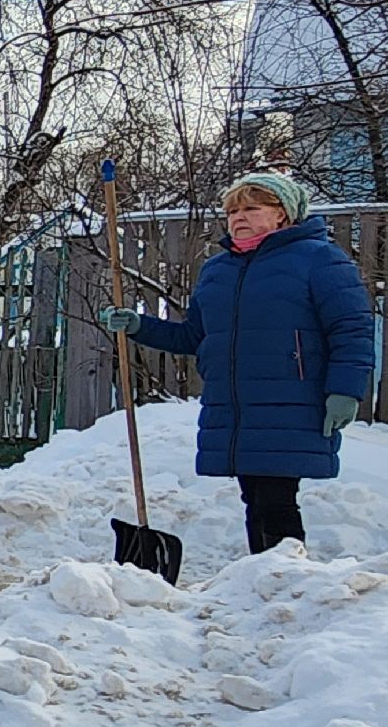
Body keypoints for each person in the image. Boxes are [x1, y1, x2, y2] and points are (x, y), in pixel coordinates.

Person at [99, 171, 373, 555]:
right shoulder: (218, 270)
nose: (238, 217)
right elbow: (194, 336)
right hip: (236, 405)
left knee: (276, 498)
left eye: (252, 208)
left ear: (283, 215)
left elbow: (351, 330)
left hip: (291, 401)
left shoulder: (320, 260)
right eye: (232, 211)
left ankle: (288, 582)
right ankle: (263, 577)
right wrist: (137, 326)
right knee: (255, 498)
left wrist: (345, 391)